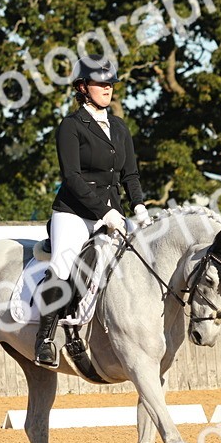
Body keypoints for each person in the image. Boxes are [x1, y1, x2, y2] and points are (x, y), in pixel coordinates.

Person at [34, 56, 148, 369]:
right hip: (74, 211)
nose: (107, 88)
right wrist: (104, 212)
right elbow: (72, 176)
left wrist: (138, 205)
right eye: (100, 83)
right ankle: (45, 338)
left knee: (140, 262)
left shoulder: (120, 127)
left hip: (112, 212)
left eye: (110, 83)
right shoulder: (71, 126)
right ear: (83, 87)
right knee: (64, 263)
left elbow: (130, 175)